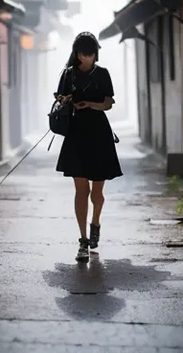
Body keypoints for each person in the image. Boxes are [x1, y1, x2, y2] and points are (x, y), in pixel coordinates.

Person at [55, 31, 123, 262]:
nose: (88, 58)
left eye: (92, 54)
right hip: (76, 133)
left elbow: (107, 104)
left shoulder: (102, 73)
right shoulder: (68, 74)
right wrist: (64, 100)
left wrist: (90, 104)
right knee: (80, 190)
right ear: (77, 54)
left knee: (97, 192)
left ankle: (95, 223)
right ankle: (83, 240)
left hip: (99, 133)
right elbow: (60, 97)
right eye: (85, 54)